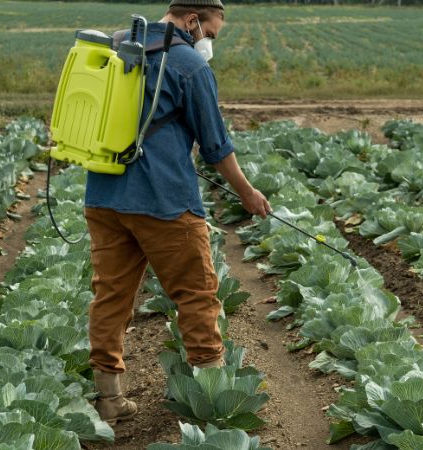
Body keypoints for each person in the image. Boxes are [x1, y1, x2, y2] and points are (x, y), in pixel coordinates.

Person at [84, 0, 271, 424]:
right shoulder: (189, 65)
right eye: (210, 33)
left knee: (110, 297)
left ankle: (109, 399)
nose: (208, 42)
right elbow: (215, 146)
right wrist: (247, 193)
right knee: (197, 294)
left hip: (103, 197)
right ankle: (213, 398)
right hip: (164, 202)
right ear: (192, 21)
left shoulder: (117, 47)